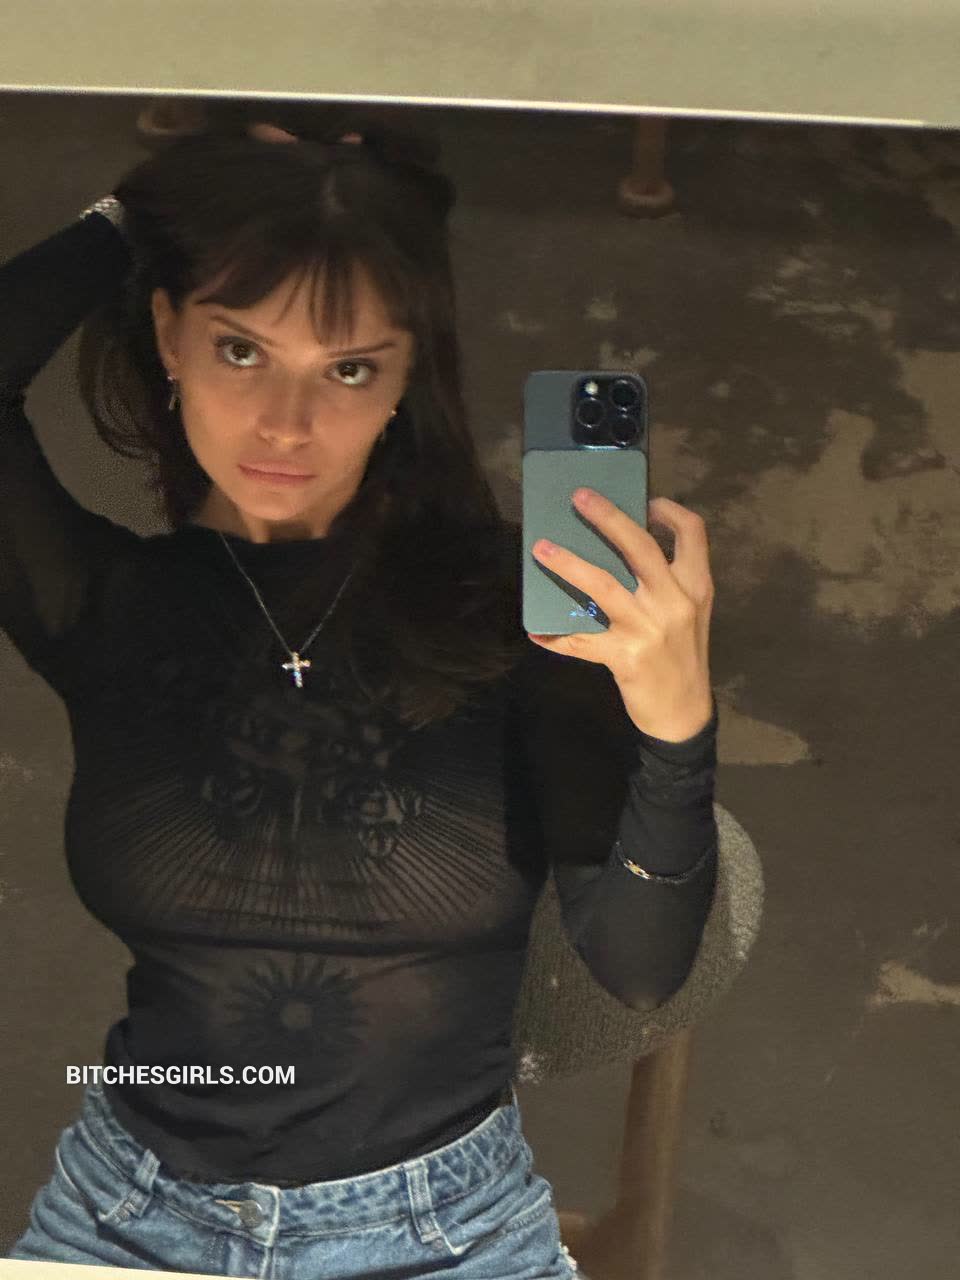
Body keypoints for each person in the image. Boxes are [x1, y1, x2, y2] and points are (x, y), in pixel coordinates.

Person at [1, 112, 720, 1279]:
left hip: (446, 1232)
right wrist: (153, 205)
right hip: (126, 1212)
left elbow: (638, 967)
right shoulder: (107, 604)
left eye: (348, 367)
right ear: (170, 335)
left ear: (404, 380)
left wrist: (677, 727)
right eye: (242, 349)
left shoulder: (521, 609)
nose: (286, 423)